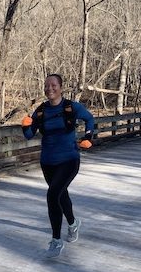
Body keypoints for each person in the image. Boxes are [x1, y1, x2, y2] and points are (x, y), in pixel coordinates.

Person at [21, 73, 95, 258]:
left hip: (69, 159)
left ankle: (56, 240)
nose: (49, 88)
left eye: (53, 85)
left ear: (60, 87)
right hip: (48, 162)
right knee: (60, 195)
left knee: (53, 195)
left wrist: (88, 137)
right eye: (46, 86)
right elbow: (29, 135)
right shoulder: (41, 111)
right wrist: (25, 126)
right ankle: (73, 223)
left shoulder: (71, 107)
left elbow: (90, 119)